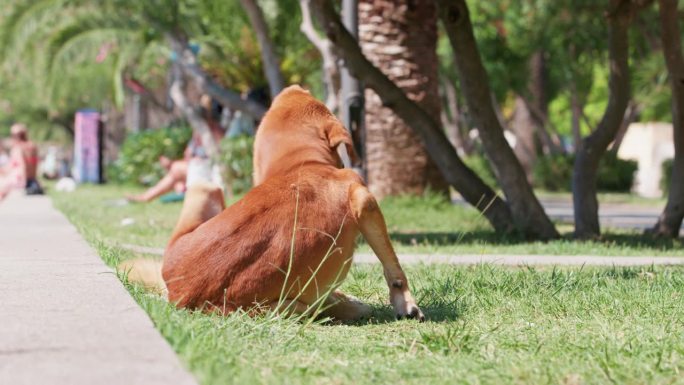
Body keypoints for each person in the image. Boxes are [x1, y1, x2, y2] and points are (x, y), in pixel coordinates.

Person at [0, 123, 43, 199]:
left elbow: (22, 165)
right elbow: (35, 164)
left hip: (19, 179)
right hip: (31, 179)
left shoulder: (17, 148)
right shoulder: (32, 146)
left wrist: (24, 182)